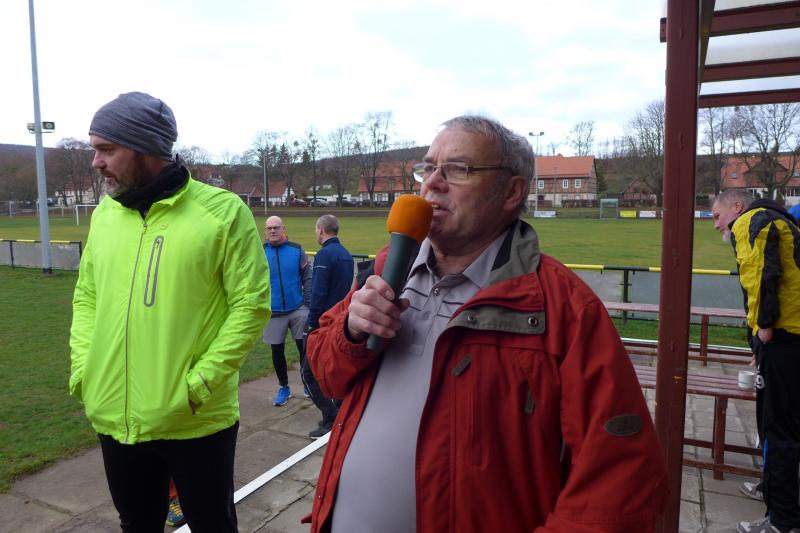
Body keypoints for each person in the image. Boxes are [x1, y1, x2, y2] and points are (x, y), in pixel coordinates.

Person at [305, 115, 668, 532]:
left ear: (511, 191)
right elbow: (324, 374)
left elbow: (622, 480)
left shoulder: (565, 308)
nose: (432, 183)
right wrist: (351, 333)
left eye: (458, 169)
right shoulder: (386, 270)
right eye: (428, 168)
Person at [69, 92, 270, 533]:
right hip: (115, 414)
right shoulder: (104, 215)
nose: (96, 162)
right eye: (95, 150)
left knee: (213, 525)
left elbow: (251, 305)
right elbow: (87, 297)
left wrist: (200, 384)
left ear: (144, 148)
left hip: (195, 418)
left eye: (106, 150)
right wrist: (85, 370)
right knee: (137, 524)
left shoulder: (222, 213)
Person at [711, 189, 800, 533]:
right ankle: (774, 496)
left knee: (778, 429)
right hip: (788, 336)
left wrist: (763, 330)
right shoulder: (777, 220)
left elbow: (762, 276)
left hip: (783, 339)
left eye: (717, 216)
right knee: (780, 424)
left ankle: (782, 520)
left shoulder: (752, 221)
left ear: (737, 207)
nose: (716, 225)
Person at [303, 214, 354, 438]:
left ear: (321, 230)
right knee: (336, 370)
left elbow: (318, 292)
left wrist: (311, 323)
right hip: (341, 321)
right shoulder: (346, 254)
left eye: (316, 230)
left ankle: (331, 417)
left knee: (308, 372)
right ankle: (340, 415)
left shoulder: (324, 254)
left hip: (323, 323)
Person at [263, 215, 311, 406]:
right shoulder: (260, 252)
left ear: (284, 229)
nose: (273, 231)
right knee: (277, 351)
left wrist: (306, 303)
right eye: (269, 228)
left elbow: (308, 277)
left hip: (298, 309)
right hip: (273, 312)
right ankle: (284, 387)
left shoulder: (296, 249)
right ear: (265, 232)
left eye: (276, 227)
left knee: (304, 348)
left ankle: (308, 384)